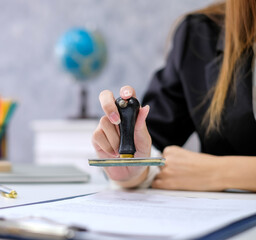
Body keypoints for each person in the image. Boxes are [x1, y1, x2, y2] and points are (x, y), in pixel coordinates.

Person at [92, 0, 256, 192]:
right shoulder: (199, 35)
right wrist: (132, 170)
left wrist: (221, 172)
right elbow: (154, 147)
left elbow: (198, 172)